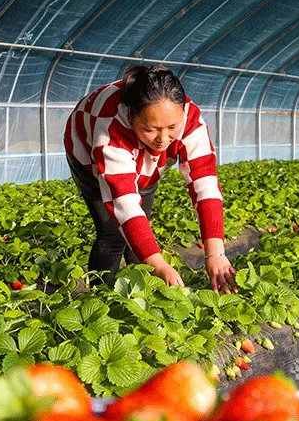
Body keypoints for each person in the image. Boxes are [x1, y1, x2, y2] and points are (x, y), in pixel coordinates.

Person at [65, 64, 236, 294]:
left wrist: (215, 253)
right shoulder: (110, 124)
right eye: (151, 129)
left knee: (141, 230)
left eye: (172, 127)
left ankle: (139, 294)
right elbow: (124, 204)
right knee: (113, 234)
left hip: (146, 164)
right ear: (131, 115)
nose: (163, 139)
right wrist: (159, 264)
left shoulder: (190, 119)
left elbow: (205, 183)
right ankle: (101, 297)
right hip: (88, 157)